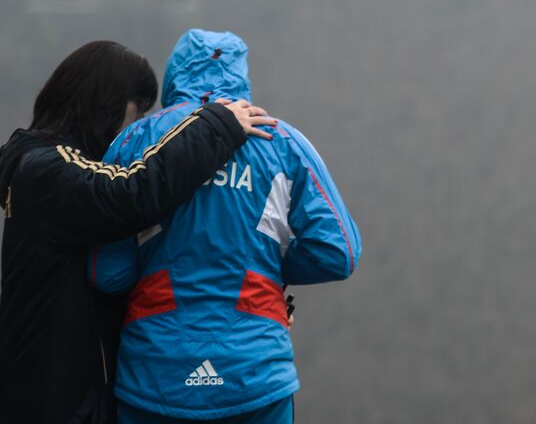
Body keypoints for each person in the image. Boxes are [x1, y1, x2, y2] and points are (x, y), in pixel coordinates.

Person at [0, 40, 277, 424]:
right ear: (104, 102)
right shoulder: (46, 169)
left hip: (59, 395)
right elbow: (129, 192)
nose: (137, 127)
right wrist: (216, 125)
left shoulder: (39, 168)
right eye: (136, 112)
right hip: (56, 403)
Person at [90, 29, 360, 424]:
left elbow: (107, 272)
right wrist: (265, 267)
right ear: (241, 76)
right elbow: (339, 252)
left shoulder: (135, 140)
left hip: (155, 373)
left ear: (175, 76)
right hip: (255, 373)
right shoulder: (282, 140)